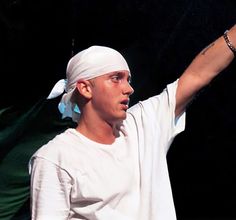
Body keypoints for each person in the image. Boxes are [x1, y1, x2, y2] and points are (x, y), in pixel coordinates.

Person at [29, 24, 236, 220]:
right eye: (116, 78)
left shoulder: (142, 125)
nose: (128, 89)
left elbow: (197, 75)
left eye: (128, 79)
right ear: (85, 88)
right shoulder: (55, 158)